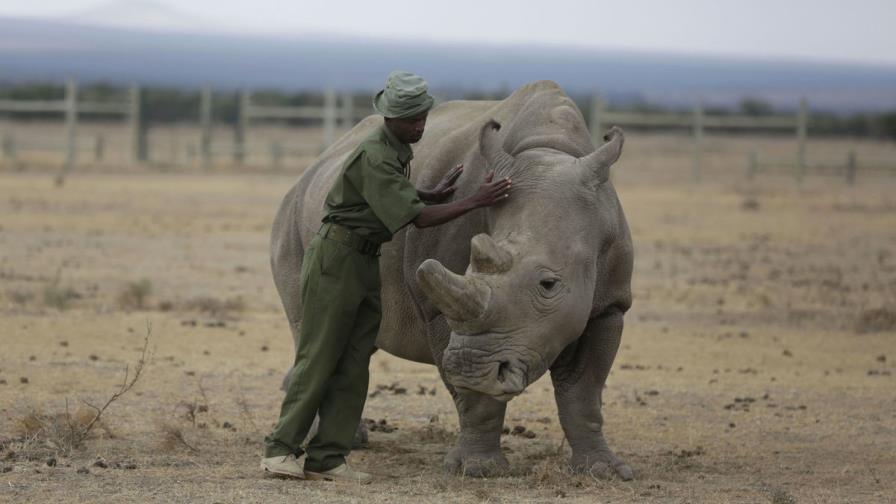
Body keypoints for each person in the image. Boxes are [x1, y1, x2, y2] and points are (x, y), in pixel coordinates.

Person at [260, 71, 512, 483]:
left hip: (365, 259)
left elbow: (386, 195)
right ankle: (280, 450)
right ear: (389, 117)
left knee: (355, 361)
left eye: (422, 117)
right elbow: (417, 219)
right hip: (337, 258)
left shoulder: (397, 149)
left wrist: (430, 193)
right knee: (319, 357)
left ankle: (328, 458)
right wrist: (474, 201)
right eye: (411, 120)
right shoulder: (376, 153)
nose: (419, 126)